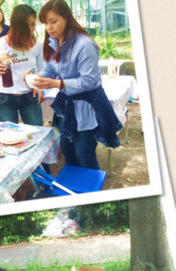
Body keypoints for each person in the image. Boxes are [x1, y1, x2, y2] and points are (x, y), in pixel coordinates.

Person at [34, 0, 122, 169]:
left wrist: (58, 83)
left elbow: (90, 80)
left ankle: (92, 185)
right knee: (67, 150)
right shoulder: (54, 41)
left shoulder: (84, 44)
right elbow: (50, 69)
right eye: (45, 23)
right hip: (68, 105)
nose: (49, 27)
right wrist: (38, 79)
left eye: (53, 21)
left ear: (66, 18)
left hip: (87, 105)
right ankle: (75, 184)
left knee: (84, 154)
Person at [0, 4, 43, 126]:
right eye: (28, 25)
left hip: (29, 96)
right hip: (5, 98)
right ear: (18, 26)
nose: (32, 28)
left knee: (36, 132)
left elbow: (42, 70)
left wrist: (38, 83)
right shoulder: (2, 43)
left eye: (33, 24)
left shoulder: (37, 45)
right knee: (9, 135)